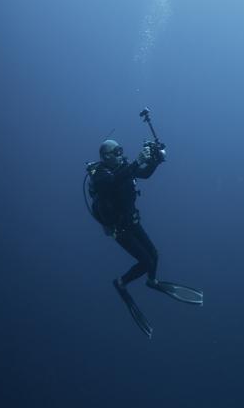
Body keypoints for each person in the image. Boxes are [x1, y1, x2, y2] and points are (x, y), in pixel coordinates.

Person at [87, 138, 203, 338]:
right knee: (145, 260)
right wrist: (136, 161)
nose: (120, 154)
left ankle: (152, 281)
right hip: (120, 229)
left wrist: (156, 160)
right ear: (105, 156)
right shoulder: (100, 176)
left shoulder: (123, 168)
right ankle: (121, 283)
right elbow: (112, 182)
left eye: (121, 150)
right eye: (116, 151)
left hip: (133, 222)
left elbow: (144, 174)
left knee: (155, 255)